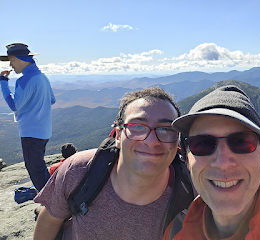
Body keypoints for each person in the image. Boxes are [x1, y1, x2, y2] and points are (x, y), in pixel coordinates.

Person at [33, 86, 195, 240]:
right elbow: (49, 221)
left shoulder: (193, 189)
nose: (151, 141)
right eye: (138, 126)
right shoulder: (79, 171)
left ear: (177, 141)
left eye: (166, 129)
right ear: (118, 136)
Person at [162, 85, 260, 240]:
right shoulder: (175, 232)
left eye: (241, 142)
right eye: (203, 144)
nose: (223, 162)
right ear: (187, 161)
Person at [0, 43, 56, 191]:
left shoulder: (24, 80)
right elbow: (52, 99)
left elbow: (14, 105)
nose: (10, 65)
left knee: (36, 171)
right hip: (44, 130)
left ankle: (51, 205)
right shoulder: (42, 77)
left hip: (31, 132)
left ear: (21, 59)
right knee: (39, 166)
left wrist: (3, 82)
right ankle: (52, 197)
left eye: (12, 60)